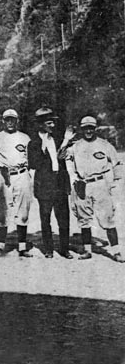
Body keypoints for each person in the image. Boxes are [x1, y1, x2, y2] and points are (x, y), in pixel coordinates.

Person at [66, 116, 124, 262]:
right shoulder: (75, 146)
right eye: (86, 128)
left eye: (91, 127)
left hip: (100, 184)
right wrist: (66, 140)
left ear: (95, 128)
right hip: (82, 184)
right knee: (84, 219)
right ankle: (87, 250)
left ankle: (116, 251)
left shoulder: (104, 145)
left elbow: (117, 163)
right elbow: (64, 159)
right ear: (81, 129)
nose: (89, 131)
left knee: (107, 219)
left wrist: (115, 182)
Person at [28, 108, 72, 259]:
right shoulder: (33, 142)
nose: (52, 125)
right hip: (45, 185)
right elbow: (34, 163)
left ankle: (65, 249)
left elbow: (63, 156)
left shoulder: (59, 139)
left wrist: (65, 143)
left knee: (64, 218)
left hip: (59, 184)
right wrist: (43, 145)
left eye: (53, 122)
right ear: (40, 124)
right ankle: (49, 249)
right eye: (49, 122)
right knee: (45, 219)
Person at [0, 109, 33, 257]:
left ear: (17, 121)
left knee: (23, 210)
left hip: (21, 174)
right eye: (7, 119)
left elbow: (30, 159)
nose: (10, 122)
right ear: (3, 121)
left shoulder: (25, 138)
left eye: (12, 119)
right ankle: (1, 245)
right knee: (2, 210)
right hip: (2, 175)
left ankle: (22, 246)